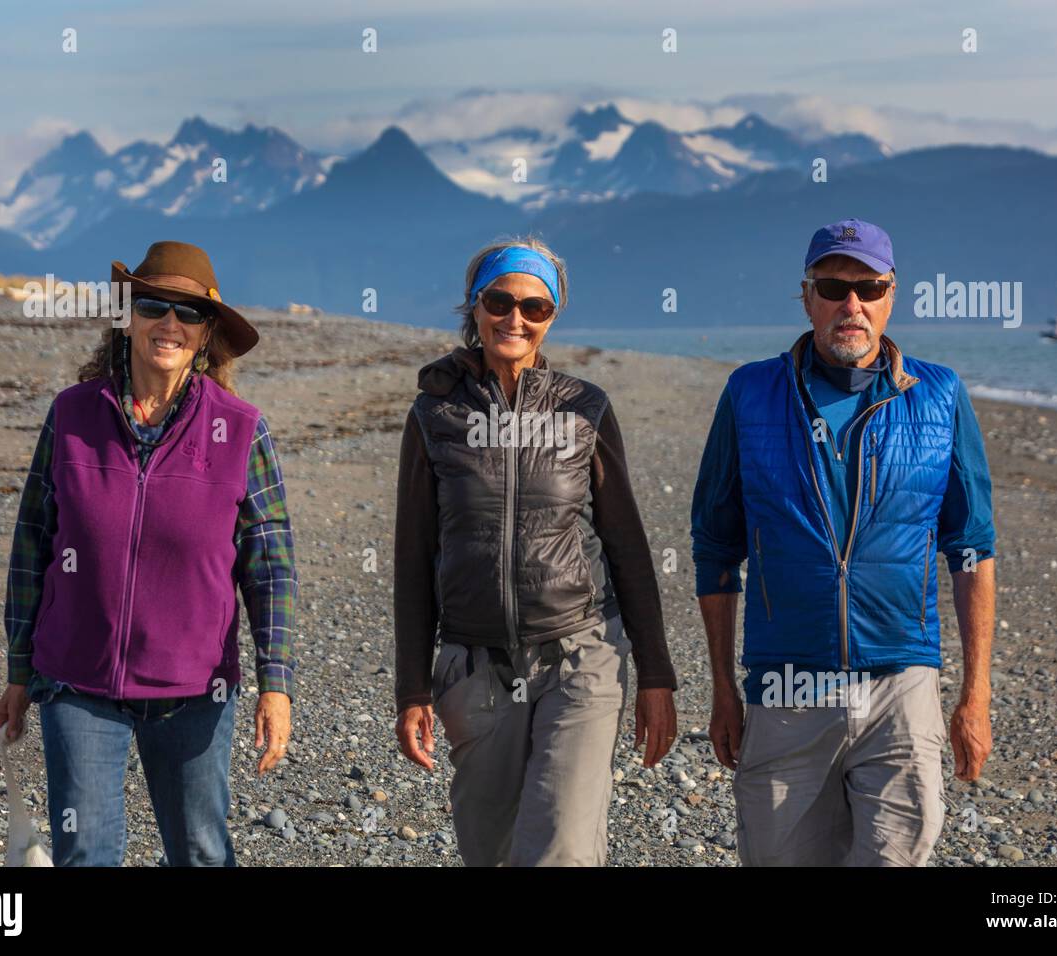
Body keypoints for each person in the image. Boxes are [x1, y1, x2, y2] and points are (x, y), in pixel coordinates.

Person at [691, 218, 996, 866]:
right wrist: (722, 685)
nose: (851, 304)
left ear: (892, 295)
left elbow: (971, 547)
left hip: (901, 681)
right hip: (785, 686)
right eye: (833, 286)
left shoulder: (939, 396)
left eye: (869, 287)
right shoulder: (750, 394)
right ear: (806, 296)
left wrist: (975, 695)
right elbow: (716, 548)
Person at [0, 241, 297, 866]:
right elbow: (32, 544)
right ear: (126, 317)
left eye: (187, 313)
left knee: (201, 855)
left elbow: (270, 565)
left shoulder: (241, 430)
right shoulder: (71, 416)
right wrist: (19, 670)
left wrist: (277, 684)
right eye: (153, 306)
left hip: (194, 689)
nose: (169, 323)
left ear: (207, 333)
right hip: (76, 679)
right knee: (85, 856)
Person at [394, 236, 678, 866]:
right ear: (474, 306)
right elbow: (412, 561)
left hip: (581, 656)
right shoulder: (435, 413)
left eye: (536, 307)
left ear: (552, 318)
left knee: (561, 851)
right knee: (490, 853)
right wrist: (412, 688)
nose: (515, 318)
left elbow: (628, 546)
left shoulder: (585, 409)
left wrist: (657, 675)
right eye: (500, 300)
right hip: (476, 668)